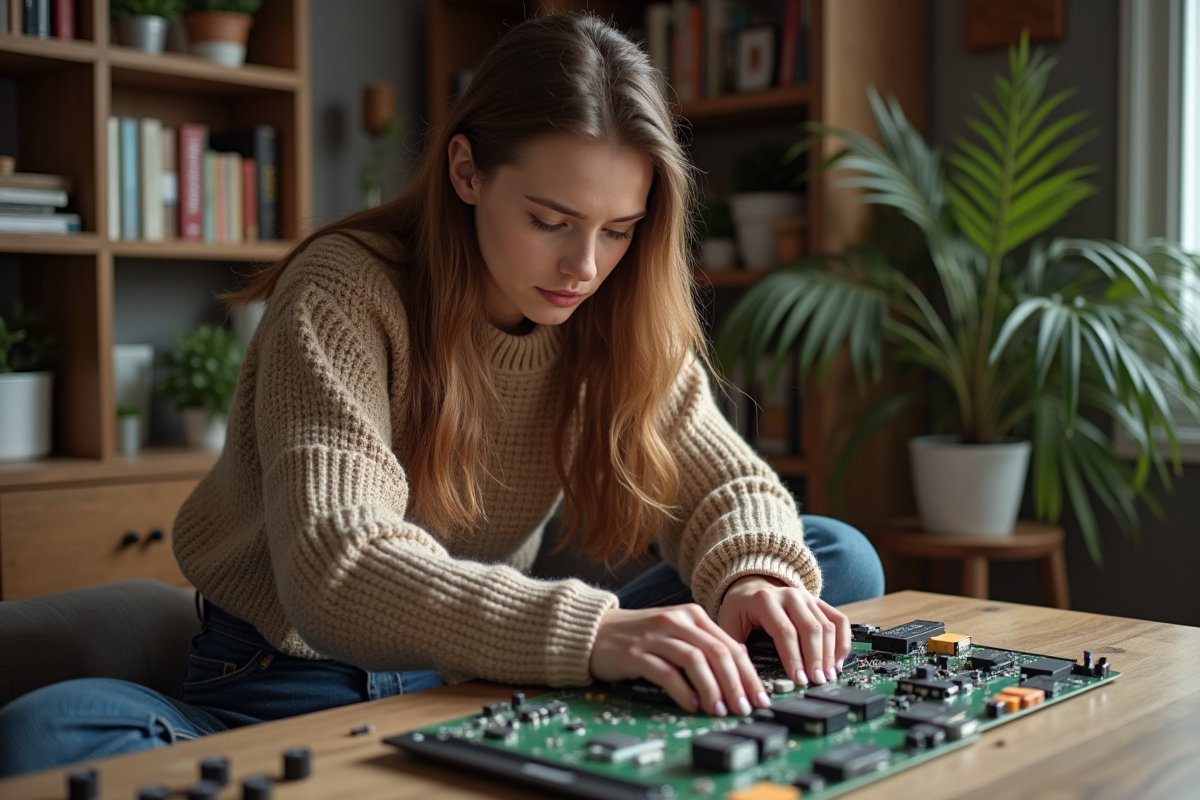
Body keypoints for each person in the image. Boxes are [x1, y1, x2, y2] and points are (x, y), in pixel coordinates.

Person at [0, 12, 883, 776]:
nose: (585, 266)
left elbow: (727, 487)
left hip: (486, 678)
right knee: (46, 735)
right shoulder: (344, 291)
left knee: (827, 558)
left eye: (619, 229)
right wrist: (593, 637)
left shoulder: (612, 309)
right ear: (466, 171)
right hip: (283, 685)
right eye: (550, 220)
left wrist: (757, 576)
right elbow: (336, 565)